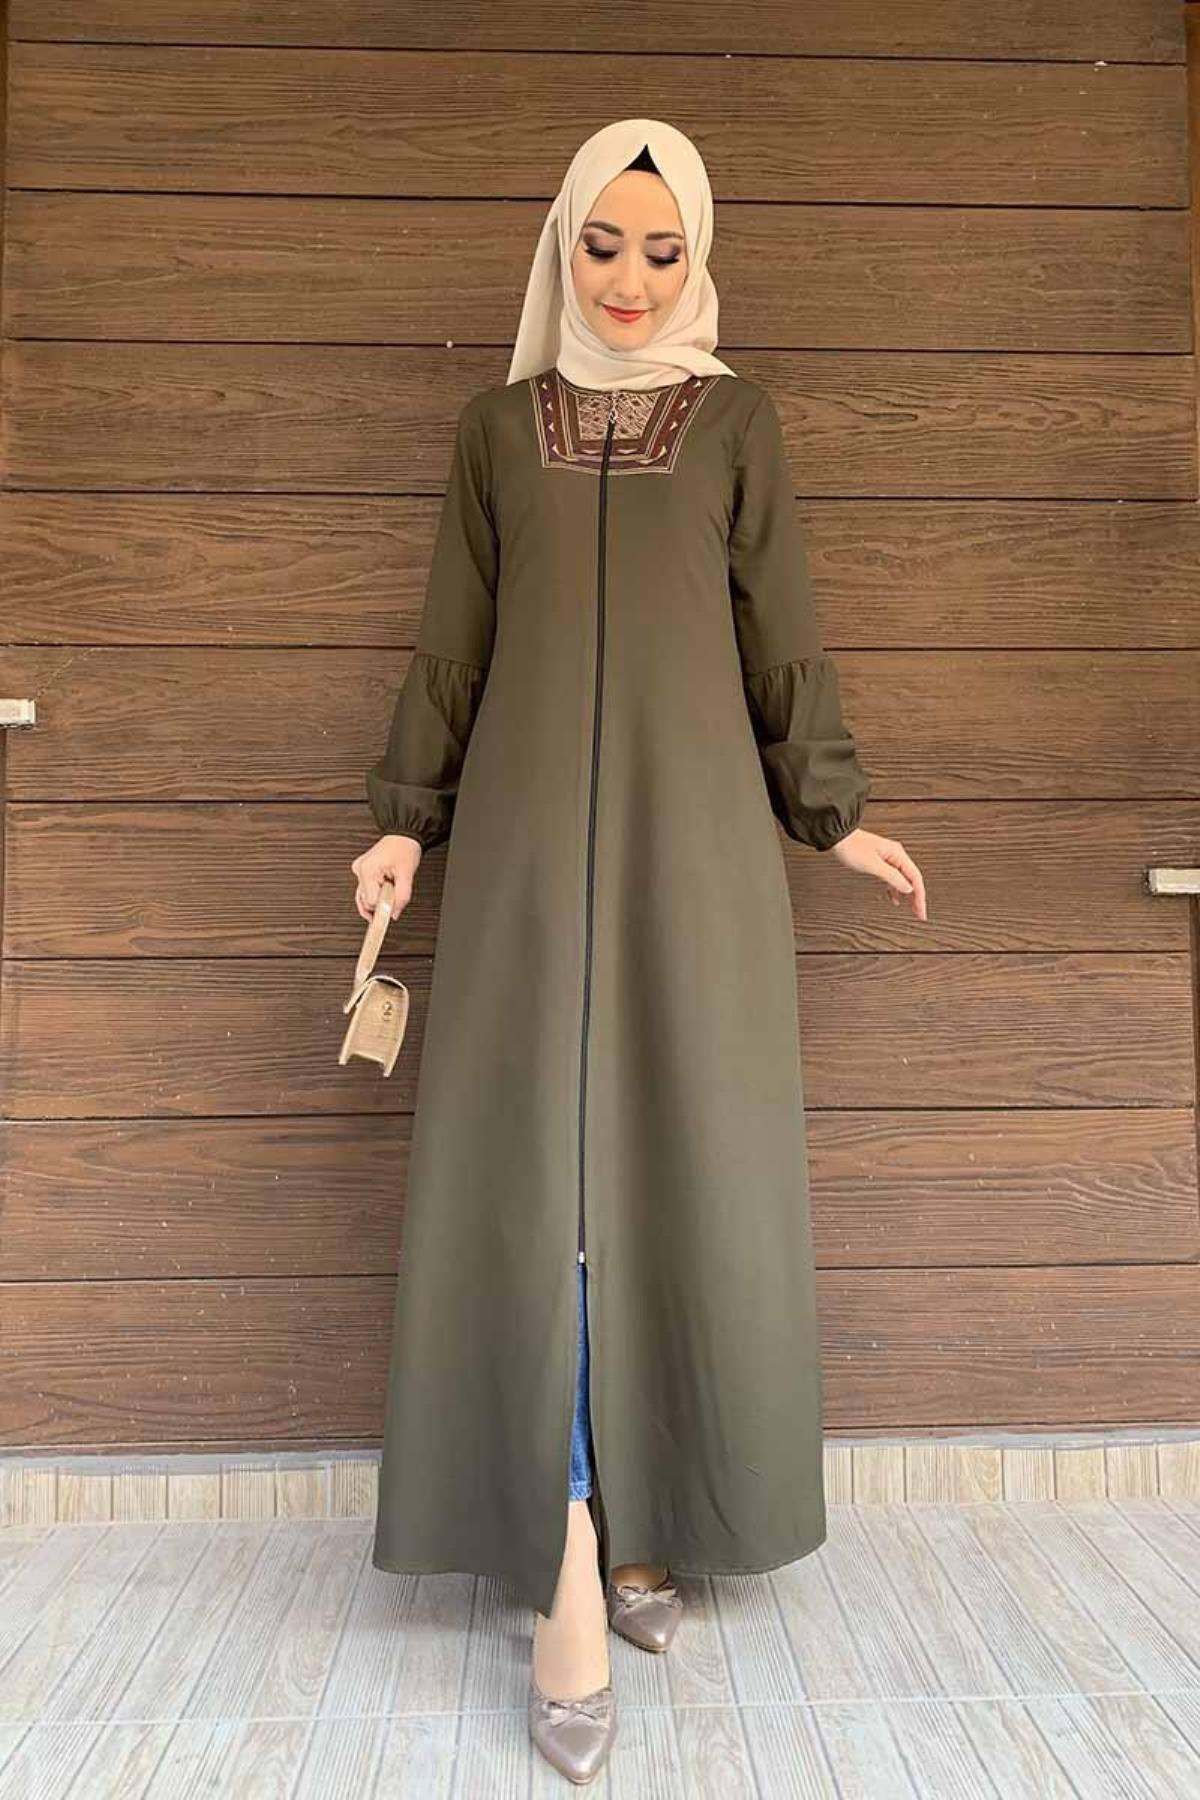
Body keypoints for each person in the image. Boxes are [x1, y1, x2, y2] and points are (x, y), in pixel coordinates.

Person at [352, 117, 927, 1785]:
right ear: (561, 246)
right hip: (529, 867)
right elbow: (451, 644)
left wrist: (831, 813)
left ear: (698, 259)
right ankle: (567, 1560)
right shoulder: (495, 432)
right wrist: (405, 820)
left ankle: (648, 1513)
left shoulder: (736, 421)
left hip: (695, 860)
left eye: (663, 252)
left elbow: (783, 636)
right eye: (601, 245)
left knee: (674, 1177)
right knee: (537, 1192)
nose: (629, 280)